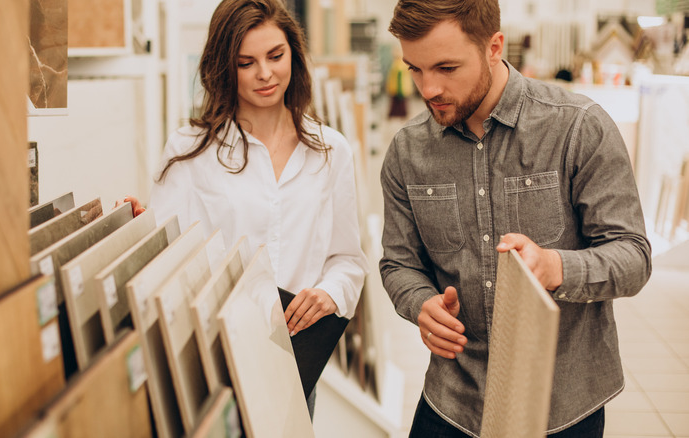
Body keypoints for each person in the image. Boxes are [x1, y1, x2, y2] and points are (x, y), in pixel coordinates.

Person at [379, 1, 652, 437]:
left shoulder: (579, 128)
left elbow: (634, 258)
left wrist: (555, 267)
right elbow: (399, 263)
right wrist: (420, 304)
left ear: (494, 46)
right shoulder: (407, 152)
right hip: (454, 401)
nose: (428, 88)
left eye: (446, 68)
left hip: (561, 404)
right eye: (415, 68)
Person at [125, 0, 367, 418]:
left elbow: (348, 259)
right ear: (224, 67)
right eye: (246, 62)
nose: (265, 74)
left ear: (294, 52)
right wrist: (137, 235)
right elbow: (167, 260)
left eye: (276, 56)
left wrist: (329, 294)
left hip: (294, 362)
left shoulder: (331, 151)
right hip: (215, 358)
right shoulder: (189, 152)